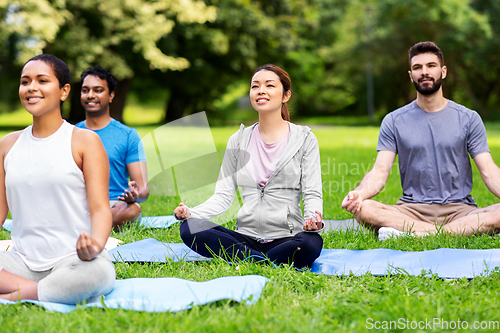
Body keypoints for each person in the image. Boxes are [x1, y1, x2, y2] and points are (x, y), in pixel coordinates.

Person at [341, 41, 500, 238]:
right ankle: (447, 234)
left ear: (443, 71)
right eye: (417, 67)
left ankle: (418, 234)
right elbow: (379, 172)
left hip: (460, 211)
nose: (424, 72)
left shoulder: (468, 118)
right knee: (365, 209)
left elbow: (489, 171)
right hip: (411, 211)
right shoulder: (394, 120)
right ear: (411, 75)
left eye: (431, 66)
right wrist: (359, 194)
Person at [174, 64, 323, 268]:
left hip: (289, 237)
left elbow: (312, 192)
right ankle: (262, 261)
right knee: (189, 228)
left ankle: (247, 260)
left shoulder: (305, 139)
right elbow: (223, 196)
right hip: (245, 237)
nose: (261, 90)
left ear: (286, 95)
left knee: (310, 243)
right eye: (255, 86)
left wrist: (313, 220)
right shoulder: (238, 140)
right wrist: (192, 213)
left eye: (269, 85)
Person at [0, 54, 115, 303]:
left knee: (96, 274)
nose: (32, 88)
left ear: (64, 91)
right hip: (21, 262)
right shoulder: (7, 145)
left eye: (42, 80)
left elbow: (100, 209)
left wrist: (94, 245)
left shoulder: (84, 141)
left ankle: (15, 295)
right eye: (25, 81)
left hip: (75, 260)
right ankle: (46, 290)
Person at [76, 66, 149, 229]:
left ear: (111, 95)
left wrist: (135, 195)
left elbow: (143, 189)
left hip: (115, 205)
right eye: (85, 90)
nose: (90, 95)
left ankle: (90, 227)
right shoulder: (70, 133)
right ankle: (95, 226)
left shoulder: (128, 135)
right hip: (77, 205)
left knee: (133, 210)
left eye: (98, 90)